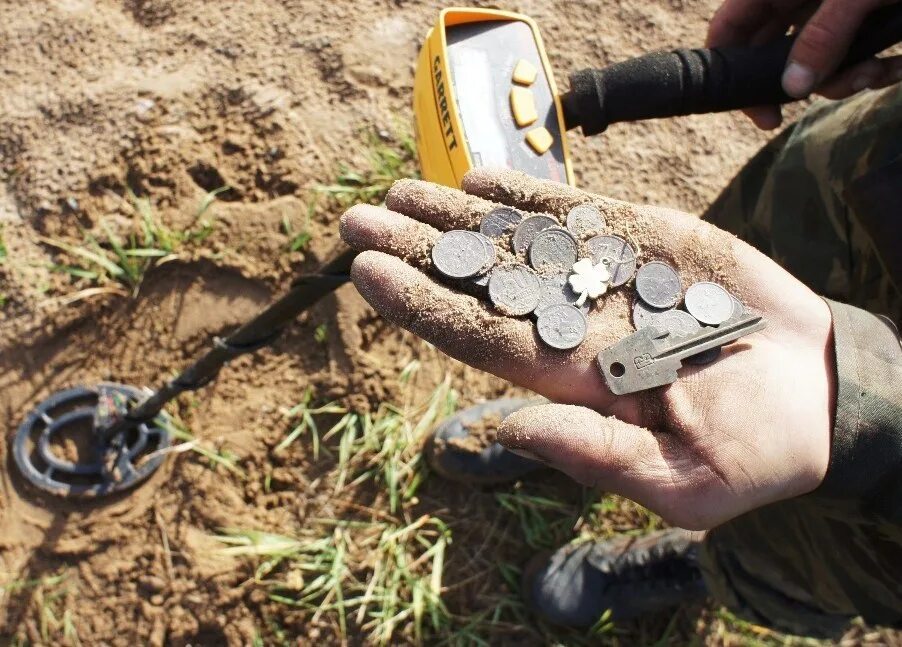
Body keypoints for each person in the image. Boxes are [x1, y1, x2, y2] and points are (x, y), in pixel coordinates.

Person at [339, 0, 902, 637]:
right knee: (734, 266)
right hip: (884, 165)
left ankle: (719, 568)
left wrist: (871, 413)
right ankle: (615, 408)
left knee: (824, 543)